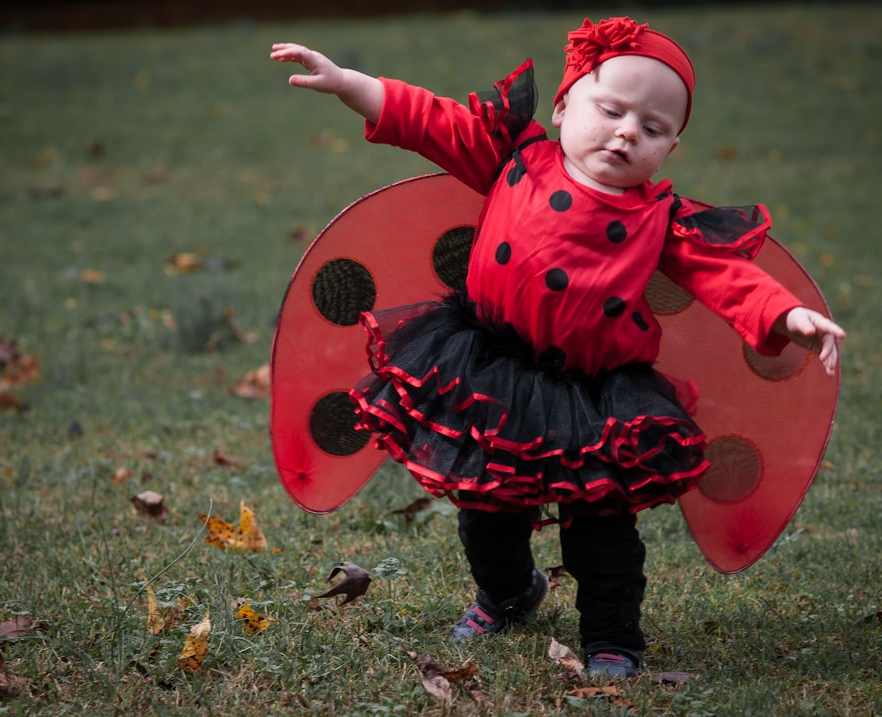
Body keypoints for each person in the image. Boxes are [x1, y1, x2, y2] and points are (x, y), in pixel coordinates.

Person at [271, 16, 845, 679]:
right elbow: (433, 121)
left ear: (671, 147)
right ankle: (509, 592)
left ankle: (612, 641)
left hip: (595, 397)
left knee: (601, 531)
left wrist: (788, 313)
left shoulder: (661, 220)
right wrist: (353, 85)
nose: (628, 131)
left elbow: (730, 279)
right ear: (566, 103)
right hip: (492, 372)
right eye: (611, 109)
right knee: (487, 512)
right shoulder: (515, 157)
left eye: (653, 128)